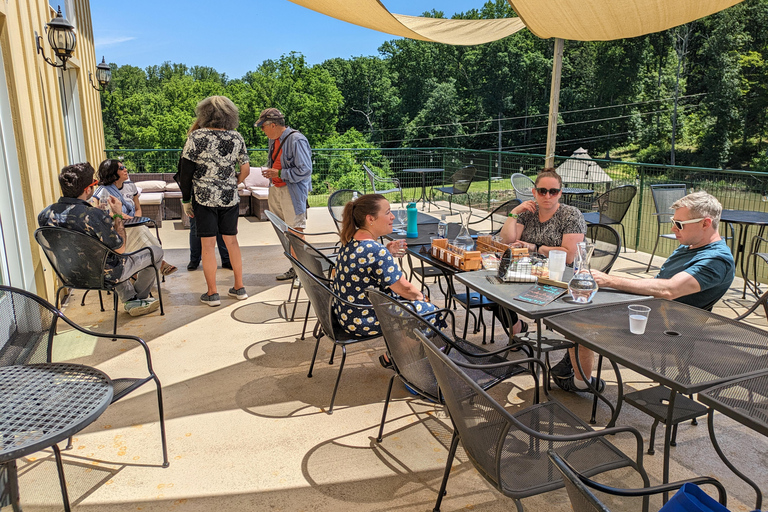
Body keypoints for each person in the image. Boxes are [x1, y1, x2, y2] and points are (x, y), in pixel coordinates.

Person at [551, 191, 736, 393]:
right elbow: (658, 284)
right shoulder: (691, 245)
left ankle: (581, 384)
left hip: (666, 331)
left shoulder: (715, 262)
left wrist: (610, 280)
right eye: (674, 222)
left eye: (680, 224)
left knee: (576, 322)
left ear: (705, 223)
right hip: (650, 313)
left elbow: (668, 289)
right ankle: (569, 364)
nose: (673, 228)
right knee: (576, 305)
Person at [331, 194, 444, 368]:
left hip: (347, 315)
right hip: (364, 319)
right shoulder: (375, 251)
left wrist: (385, 251)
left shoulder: (351, 241)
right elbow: (405, 289)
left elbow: (363, 265)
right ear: (370, 219)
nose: (393, 217)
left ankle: (397, 355)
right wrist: (422, 297)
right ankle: (399, 359)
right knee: (431, 313)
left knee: (414, 307)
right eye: (388, 212)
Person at [38, 162, 162, 317]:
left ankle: (131, 298)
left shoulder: (44, 215)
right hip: (105, 275)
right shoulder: (94, 216)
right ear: (88, 189)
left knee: (104, 257)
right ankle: (136, 299)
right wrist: (117, 214)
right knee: (155, 252)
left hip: (69, 274)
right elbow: (120, 248)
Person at [177, 96, 250, 306]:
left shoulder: (196, 136)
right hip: (229, 198)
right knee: (232, 241)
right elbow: (245, 169)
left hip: (204, 197)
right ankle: (239, 287)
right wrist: (233, 182)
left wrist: (186, 199)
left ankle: (212, 293)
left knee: (207, 245)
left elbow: (185, 172)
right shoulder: (236, 137)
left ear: (204, 113)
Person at [496, 169, 587, 336]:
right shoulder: (527, 212)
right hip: (527, 271)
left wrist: (535, 247)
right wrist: (514, 212)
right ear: (534, 192)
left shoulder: (571, 215)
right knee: (493, 292)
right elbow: (507, 240)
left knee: (497, 290)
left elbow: (568, 256)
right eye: (542, 191)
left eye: (553, 192)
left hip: (560, 277)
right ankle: (516, 328)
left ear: (560, 193)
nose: (547, 196)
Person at [94, 158, 177, 276]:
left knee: (140, 228)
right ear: (112, 173)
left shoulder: (131, 186)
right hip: (116, 228)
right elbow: (97, 210)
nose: (125, 169)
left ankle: (136, 270)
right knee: (141, 231)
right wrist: (117, 215)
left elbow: (138, 209)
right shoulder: (103, 190)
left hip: (132, 224)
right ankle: (159, 262)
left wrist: (136, 220)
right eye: (121, 168)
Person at [256, 108, 312, 282]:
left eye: (262, 127)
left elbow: (305, 169)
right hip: (277, 189)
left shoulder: (296, 139)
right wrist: (273, 175)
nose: (261, 131)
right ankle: (295, 267)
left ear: (272, 125)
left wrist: (279, 174)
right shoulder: (274, 140)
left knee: (296, 231)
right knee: (287, 232)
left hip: (292, 192)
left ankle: (302, 273)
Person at [180, 120, 231, 272]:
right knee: (198, 228)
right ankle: (195, 259)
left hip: (219, 194)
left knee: (219, 229)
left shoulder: (222, 142)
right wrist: (186, 199)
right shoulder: (193, 142)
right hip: (199, 194)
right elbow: (185, 173)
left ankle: (225, 259)